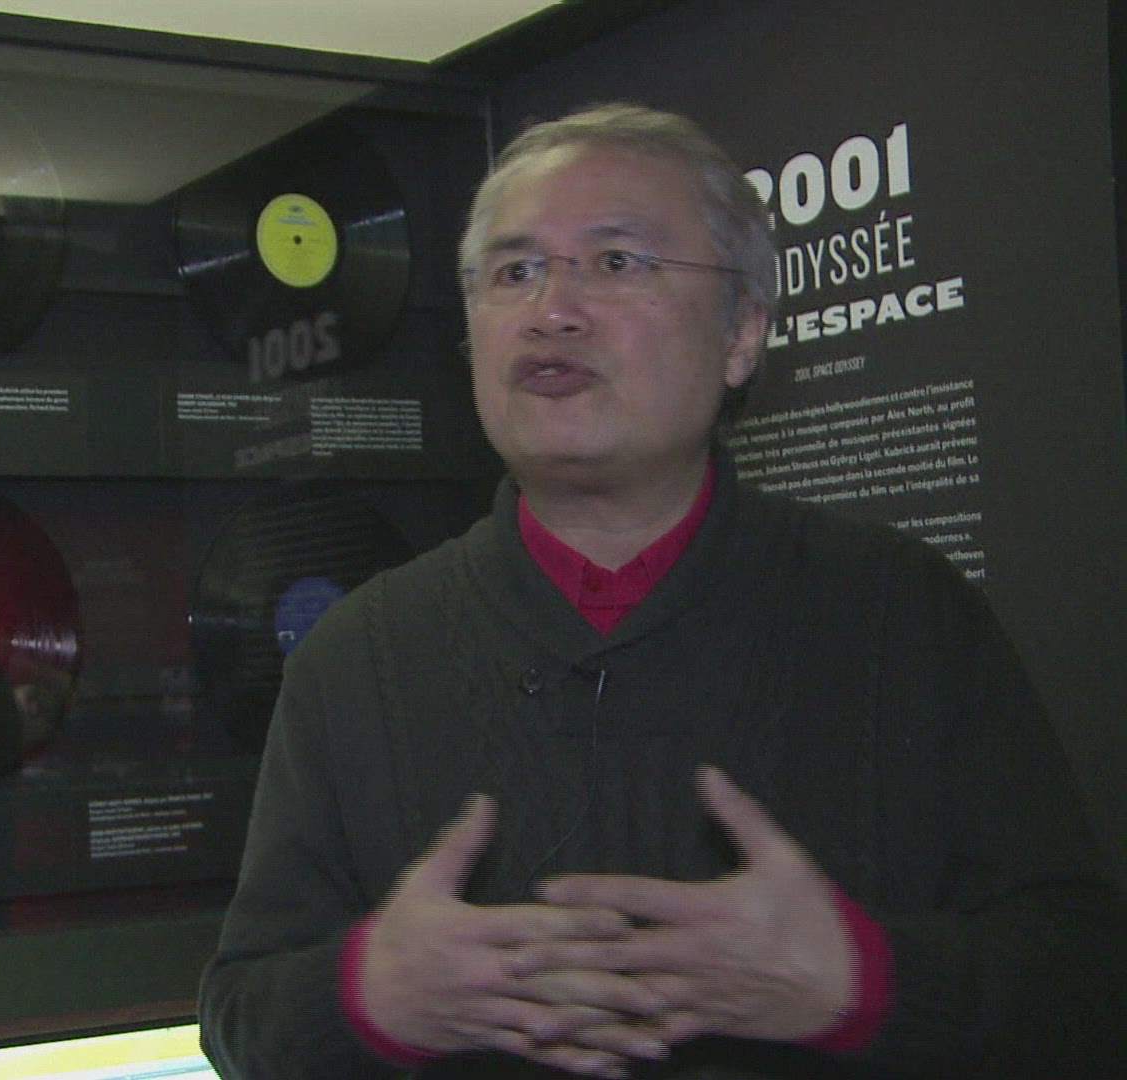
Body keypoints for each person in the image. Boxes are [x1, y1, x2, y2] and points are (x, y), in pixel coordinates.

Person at [196, 104, 1125, 1079]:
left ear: (741, 333)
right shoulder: (357, 658)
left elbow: (1089, 988)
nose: (553, 310)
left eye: (616, 262)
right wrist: (372, 996)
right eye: (515, 272)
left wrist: (864, 981)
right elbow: (239, 1018)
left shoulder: (905, 614)